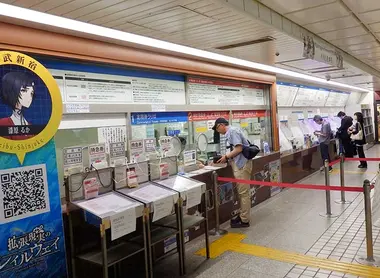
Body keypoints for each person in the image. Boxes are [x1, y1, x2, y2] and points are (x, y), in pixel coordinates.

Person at [213, 118, 252, 228]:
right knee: (242, 192)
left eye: (216, 128)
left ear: (221, 125)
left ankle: (244, 220)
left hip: (242, 165)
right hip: (240, 165)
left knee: (243, 193)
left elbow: (238, 149)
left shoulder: (232, 131)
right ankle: (243, 215)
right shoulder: (231, 132)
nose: (217, 131)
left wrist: (225, 157)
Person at [0, 72, 35, 140]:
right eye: (24, 90)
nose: (29, 96)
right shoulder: (3, 124)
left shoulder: (29, 126)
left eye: (31, 93)